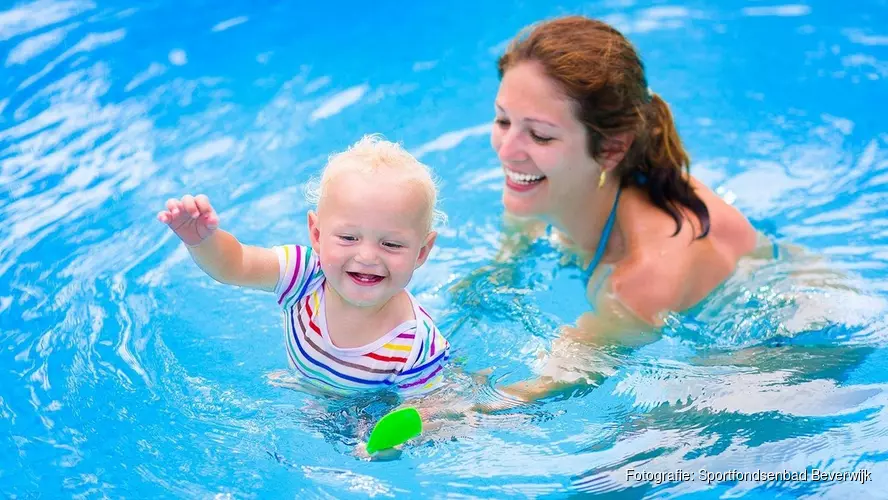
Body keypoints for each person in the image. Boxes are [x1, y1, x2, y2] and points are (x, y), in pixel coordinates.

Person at [482, 15, 762, 401]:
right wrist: (501, 268)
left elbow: (541, 390)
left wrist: (445, 411)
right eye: (502, 120)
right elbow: (516, 232)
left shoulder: (641, 278)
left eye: (540, 135)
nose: (506, 150)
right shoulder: (540, 182)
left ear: (612, 149)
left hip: (785, 351)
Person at [157, 135, 450, 395]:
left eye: (392, 244)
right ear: (317, 235)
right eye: (348, 237)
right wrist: (202, 241)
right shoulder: (304, 275)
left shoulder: (418, 345)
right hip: (304, 385)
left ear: (422, 252)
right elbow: (235, 265)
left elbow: (426, 411)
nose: (368, 256)